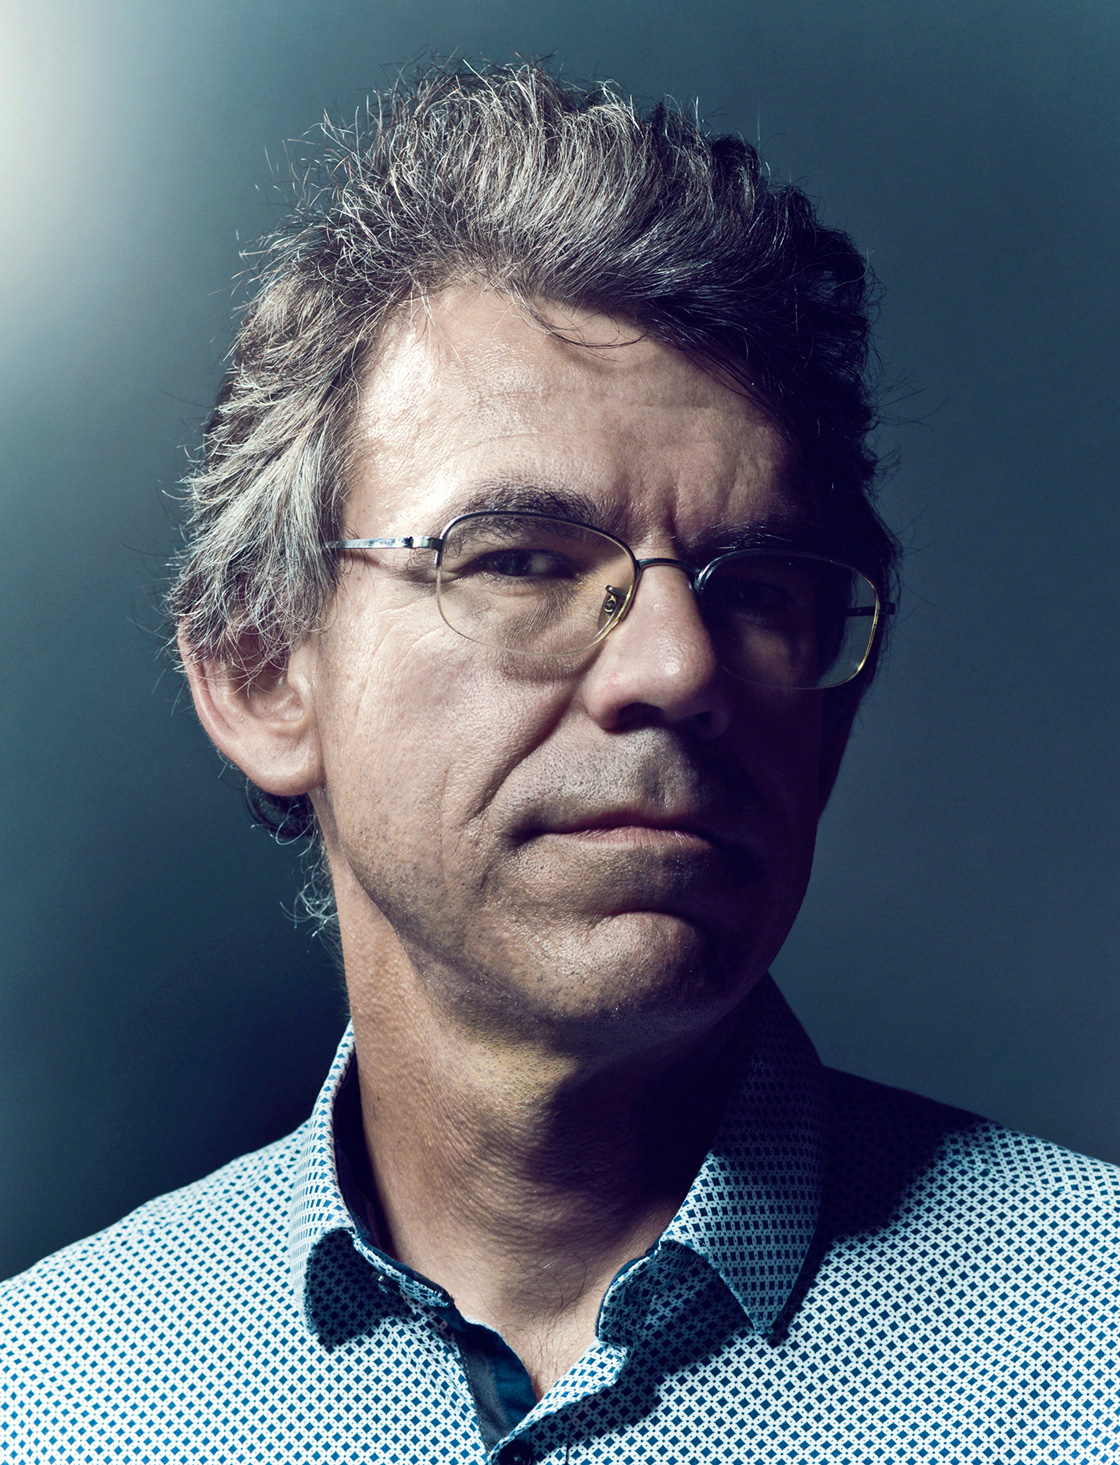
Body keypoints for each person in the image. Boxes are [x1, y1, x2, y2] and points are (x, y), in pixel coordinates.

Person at [2, 62, 1117, 1465]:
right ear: (259, 669)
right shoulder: (46, 1397)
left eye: (759, 586)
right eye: (523, 560)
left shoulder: (1097, 1345)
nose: (678, 665)